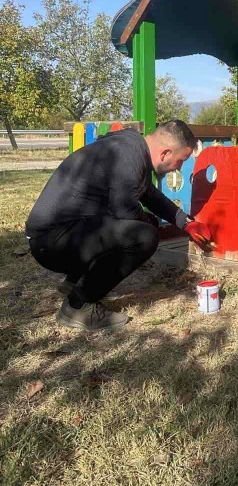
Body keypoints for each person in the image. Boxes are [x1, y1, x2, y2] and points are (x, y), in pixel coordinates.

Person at [26, 120, 212, 331]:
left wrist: (186, 223)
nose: (178, 168)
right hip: (53, 242)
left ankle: (76, 281)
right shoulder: (128, 156)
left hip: (59, 236)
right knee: (144, 236)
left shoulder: (130, 147)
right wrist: (151, 227)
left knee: (144, 225)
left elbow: (148, 194)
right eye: (181, 161)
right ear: (165, 154)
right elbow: (125, 211)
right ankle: (77, 305)